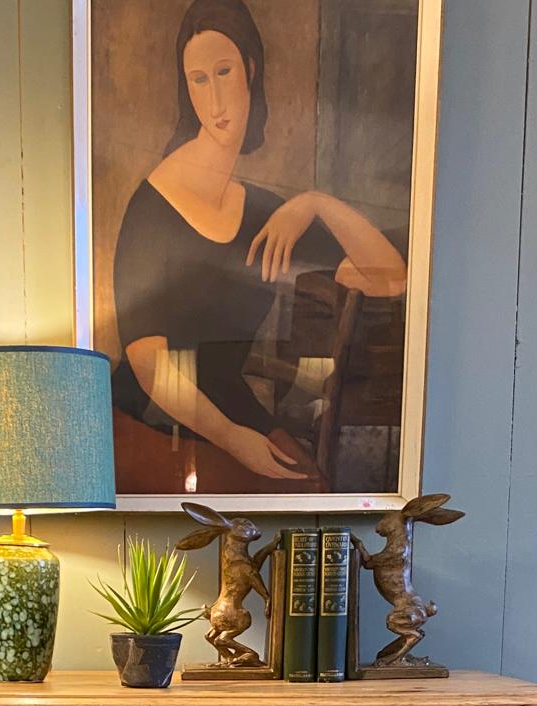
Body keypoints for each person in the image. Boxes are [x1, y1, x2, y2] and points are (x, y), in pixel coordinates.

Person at [111, 0, 407, 492]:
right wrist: (232, 438)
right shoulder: (152, 205)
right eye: (199, 79)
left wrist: (318, 203)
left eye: (224, 71)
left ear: (250, 68)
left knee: (310, 488)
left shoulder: (268, 213)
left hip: (235, 409)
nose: (215, 98)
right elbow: (149, 364)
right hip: (153, 420)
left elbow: (390, 278)